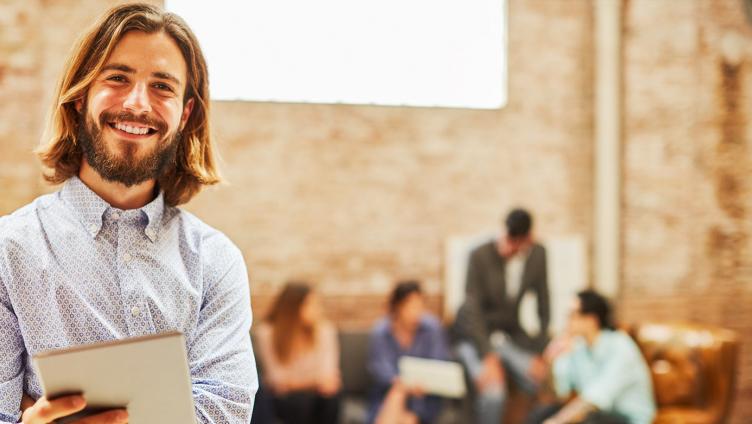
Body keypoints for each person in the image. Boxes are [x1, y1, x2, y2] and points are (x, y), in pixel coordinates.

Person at [0, 4, 257, 423]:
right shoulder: (8, 252)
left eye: (162, 87)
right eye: (118, 78)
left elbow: (226, 412)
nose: (138, 104)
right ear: (81, 96)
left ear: (185, 113)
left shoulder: (216, 261)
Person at [452, 208, 550, 424]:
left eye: (515, 243)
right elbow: (472, 309)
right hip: (474, 334)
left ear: (528, 240)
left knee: (537, 379)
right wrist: (487, 356)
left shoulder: (538, 255)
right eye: (507, 238)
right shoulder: (479, 255)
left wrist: (540, 352)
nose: (508, 247)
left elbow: (544, 304)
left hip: (507, 335)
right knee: (494, 394)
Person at [528, 290, 656, 424]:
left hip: (628, 418)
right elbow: (559, 394)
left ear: (591, 319)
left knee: (589, 419)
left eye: (573, 315)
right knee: (540, 413)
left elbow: (594, 400)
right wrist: (550, 361)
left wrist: (557, 421)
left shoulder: (620, 346)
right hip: (601, 415)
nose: (568, 321)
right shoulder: (578, 347)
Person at [255, 283, 341, 424]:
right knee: (300, 401)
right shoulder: (267, 333)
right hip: (286, 400)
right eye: (311, 305)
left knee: (331, 398)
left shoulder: (325, 331)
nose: (318, 310)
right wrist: (315, 381)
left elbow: (329, 376)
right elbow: (276, 379)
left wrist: (294, 383)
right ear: (293, 307)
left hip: (316, 396)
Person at [367, 281, 451, 424]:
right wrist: (403, 384)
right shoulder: (381, 332)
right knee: (397, 393)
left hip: (425, 396)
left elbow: (440, 362)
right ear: (398, 307)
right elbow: (380, 369)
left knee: (403, 403)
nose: (416, 312)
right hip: (388, 393)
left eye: (420, 306)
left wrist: (419, 383)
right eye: (411, 307)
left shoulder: (431, 328)